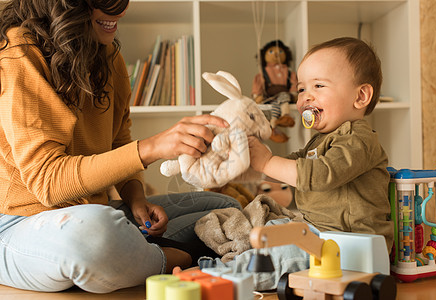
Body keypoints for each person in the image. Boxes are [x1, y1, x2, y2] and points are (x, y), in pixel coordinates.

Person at [0, 0, 240, 294]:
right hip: (21, 223)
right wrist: (151, 147)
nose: (121, 11)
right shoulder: (20, 51)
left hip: (96, 210)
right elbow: (48, 183)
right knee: (92, 234)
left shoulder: (108, 55)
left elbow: (117, 142)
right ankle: (168, 259)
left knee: (227, 209)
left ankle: (130, 255)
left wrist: (136, 199)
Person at [248, 37, 394, 251]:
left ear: (361, 96)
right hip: (320, 232)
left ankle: (232, 271)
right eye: (300, 90)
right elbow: (296, 164)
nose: (306, 97)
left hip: (353, 242)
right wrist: (253, 161)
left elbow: (321, 174)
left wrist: (267, 162)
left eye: (318, 85)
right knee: (264, 229)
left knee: (276, 250)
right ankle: (231, 261)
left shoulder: (359, 139)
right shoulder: (321, 139)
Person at [252, 40, 298, 143]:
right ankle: (285, 116)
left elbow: (294, 83)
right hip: (270, 96)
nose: (276, 54)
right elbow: (258, 84)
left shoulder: (289, 72)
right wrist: (257, 96)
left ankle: (273, 124)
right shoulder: (263, 73)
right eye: (271, 52)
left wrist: (294, 94)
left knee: (279, 101)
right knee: (279, 100)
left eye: (280, 52)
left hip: (284, 95)